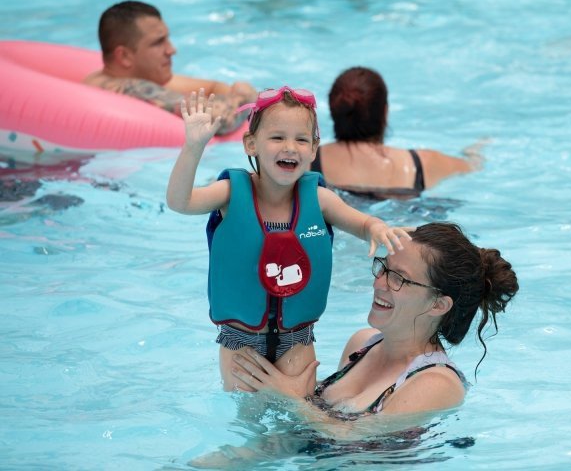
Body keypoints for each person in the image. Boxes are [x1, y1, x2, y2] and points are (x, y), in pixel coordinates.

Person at [166, 86, 411, 393]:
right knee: (249, 427)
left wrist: (376, 227)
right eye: (277, 137)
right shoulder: (231, 193)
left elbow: (361, 223)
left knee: (297, 422)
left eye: (301, 139)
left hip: (297, 338)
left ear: (313, 149)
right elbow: (180, 202)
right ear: (251, 144)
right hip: (240, 341)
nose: (290, 147)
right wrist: (193, 147)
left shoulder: (320, 200)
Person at [230, 222, 519, 435]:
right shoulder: (362, 344)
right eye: (383, 267)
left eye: (399, 278)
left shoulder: (437, 384)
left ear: (438, 305)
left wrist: (292, 399)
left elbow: (359, 444)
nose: (379, 283)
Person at [84, 1, 256, 135]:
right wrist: (244, 94)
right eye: (158, 42)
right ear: (124, 56)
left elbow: (213, 87)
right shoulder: (129, 90)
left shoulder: (132, 77)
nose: (171, 50)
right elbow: (222, 119)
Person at [311, 67, 485, 200]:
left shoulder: (307, 161)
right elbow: (474, 166)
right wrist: (474, 151)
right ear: (385, 111)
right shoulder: (423, 164)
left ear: (333, 111)